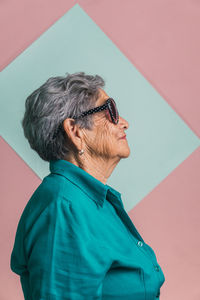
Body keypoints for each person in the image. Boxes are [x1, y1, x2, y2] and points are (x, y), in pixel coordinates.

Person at [10, 72, 165, 299]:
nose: (123, 123)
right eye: (110, 111)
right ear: (75, 131)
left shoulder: (92, 201)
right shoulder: (64, 210)